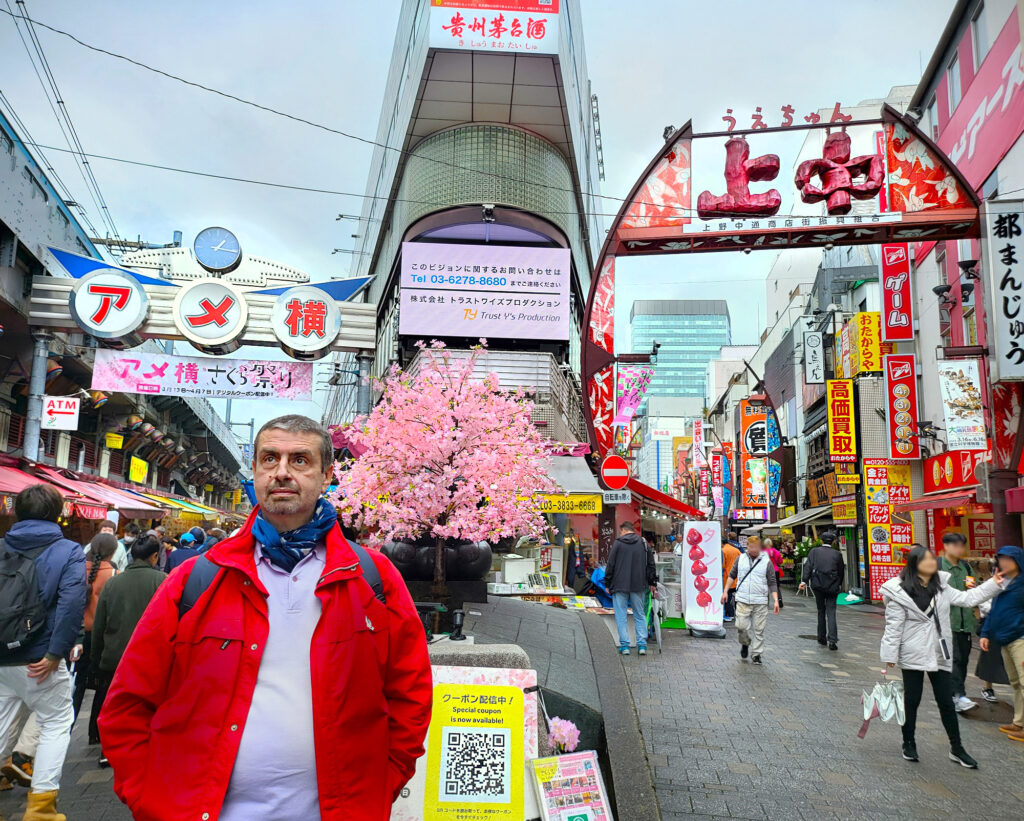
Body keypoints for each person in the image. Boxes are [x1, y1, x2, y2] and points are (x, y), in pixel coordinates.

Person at [99, 414, 432, 820]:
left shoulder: (373, 579)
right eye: (269, 459)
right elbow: (128, 701)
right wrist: (146, 795)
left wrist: (386, 778)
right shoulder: (196, 580)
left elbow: (410, 692)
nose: (282, 473)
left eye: (300, 460)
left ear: (326, 475)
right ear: (254, 470)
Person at [0, 483, 87, 819]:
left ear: (16, 511)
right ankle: (40, 809)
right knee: (55, 723)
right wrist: (56, 653)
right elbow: (70, 605)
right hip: (40, 657)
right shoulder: (68, 551)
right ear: (58, 513)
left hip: (3, 656)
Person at [880, 545, 1003, 767]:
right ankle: (908, 742)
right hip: (913, 652)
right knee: (912, 699)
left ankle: (957, 748)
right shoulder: (900, 592)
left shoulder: (942, 588)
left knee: (946, 700)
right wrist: (889, 654)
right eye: (927, 559)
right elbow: (893, 627)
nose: (932, 562)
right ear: (915, 564)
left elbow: (968, 598)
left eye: (932, 559)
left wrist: (994, 584)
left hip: (939, 651)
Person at [90, 535, 165, 768]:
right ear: (154, 556)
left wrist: (97, 659)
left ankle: (108, 749)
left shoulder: (114, 583)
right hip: (150, 659)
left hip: (114, 656)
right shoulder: (163, 581)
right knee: (146, 706)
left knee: (114, 706)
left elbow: (99, 625)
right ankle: (144, 747)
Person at [71, 533, 118, 733]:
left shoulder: (76, 569)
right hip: (101, 637)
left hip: (76, 636)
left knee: (76, 686)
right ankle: (94, 732)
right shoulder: (113, 575)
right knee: (101, 685)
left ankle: (67, 728)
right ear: (112, 552)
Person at [980, 546, 1024, 742]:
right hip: (1003, 639)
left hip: (1020, 639)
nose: (1004, 563)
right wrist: (985, 633)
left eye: (1008, 559)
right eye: (1001, 559)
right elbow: (994, 610)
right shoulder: (1000, 582)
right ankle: (1019, 722)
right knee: (1015, 683)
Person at [721, 536, 779, 665]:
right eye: (751, 547)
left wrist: (775, 600)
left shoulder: (766, 561)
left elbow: (772, 581)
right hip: (742, 599)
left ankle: (757, 654)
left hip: (761, 600)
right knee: (741, 626)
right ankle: (745, 643)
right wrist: (725, 591)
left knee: (759, 629)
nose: (754, 550)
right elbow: (732, 575)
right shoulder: (740, 559)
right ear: (747, 547)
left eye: (756, 547)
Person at [939, 531, 978, 713]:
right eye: (955, 545)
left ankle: (954, 694)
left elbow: (973, 592)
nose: (959, 549)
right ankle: (959, 695)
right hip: (946, 622)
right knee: (953, 659)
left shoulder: (966, 567)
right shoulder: (937, 566)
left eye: (962, 545)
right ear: (946, 546)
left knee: (962, 660)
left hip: (965, 622)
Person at [606, 521, 655, 656]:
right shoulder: (643, 543)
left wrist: (607, 583)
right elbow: (651, 564)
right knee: (639, 614)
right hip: (639, 584)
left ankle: (625, 646)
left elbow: (610, 564)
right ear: (633, 530)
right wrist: (652, 583)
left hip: (619, 584)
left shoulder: (618, 543)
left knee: (621, 616)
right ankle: (642, 645)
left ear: (623, 530)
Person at [799, 539, 845, 649]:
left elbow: (808, 566)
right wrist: (838, 584)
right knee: (831, 612)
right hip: (832, 586)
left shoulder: (814, 552)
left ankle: (821, 637)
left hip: (818, 585)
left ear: (822, 540)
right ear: (833, 541)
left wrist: (804, 581)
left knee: (821, 611)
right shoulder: (837, 554)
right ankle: (833, 640)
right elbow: (841, 571)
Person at [974, 558, 1009, 703]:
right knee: (990, 658)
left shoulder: (1014, 583)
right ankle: (988, 688)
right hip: (991, 625)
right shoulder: (988, 584)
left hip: (1010, 626)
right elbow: (983, 605)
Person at [721, 536, 741, 623]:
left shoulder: (723, 550)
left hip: (727, 577)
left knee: (727, 597)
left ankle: (730, 613)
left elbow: (723, 566)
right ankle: (738, 612)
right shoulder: (736, 550)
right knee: (737, 596)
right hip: (737, 577)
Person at [763, 537, 784, 610]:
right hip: (775, 570)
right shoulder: (776, 551)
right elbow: (780, 561)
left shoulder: (763, 552)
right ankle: (779, 600)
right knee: (776, 586)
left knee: (765, 586)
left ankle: (766, 602)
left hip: (765, 570)